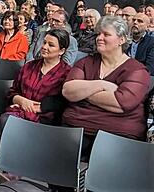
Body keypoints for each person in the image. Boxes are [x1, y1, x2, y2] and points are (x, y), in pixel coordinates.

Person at [62, 16, 149, 158]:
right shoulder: (85, 62)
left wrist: (83, 93)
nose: (99, 38)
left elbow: (122, 103)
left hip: (117, 133)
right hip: (76, 127)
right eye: (98, 34)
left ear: (121, 40)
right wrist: (102, 85)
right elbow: (68, 91)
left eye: (106, 34)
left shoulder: (137, 70)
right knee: (56, 160)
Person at [5, 29, 72, 126]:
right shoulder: (29, 66)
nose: (44, 47)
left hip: (46, 119)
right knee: (6, 121)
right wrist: (21, 100)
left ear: (61, 51)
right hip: (19, 111)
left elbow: (62, 102)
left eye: (51, 45)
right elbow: (13, 91)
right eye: (44, 42)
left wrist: (38, 108)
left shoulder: (67, 73)